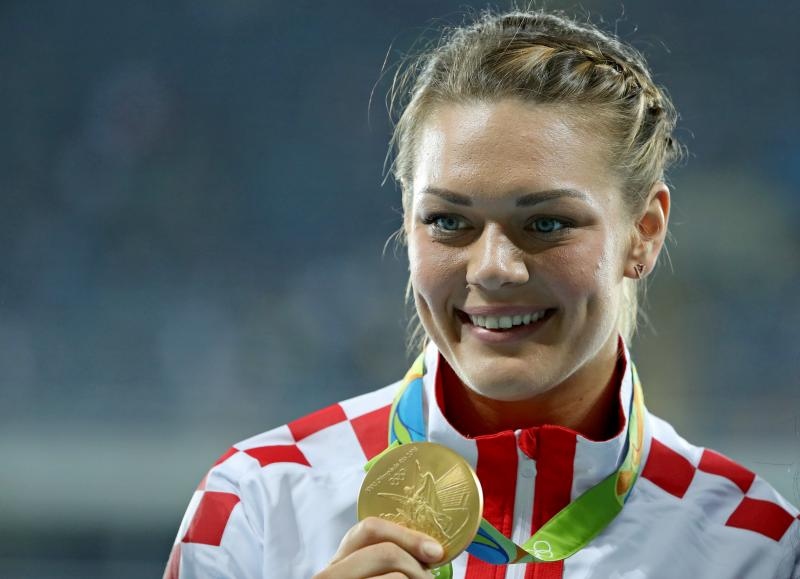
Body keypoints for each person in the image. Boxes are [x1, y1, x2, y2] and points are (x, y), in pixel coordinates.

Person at [164, 8, 800, 579]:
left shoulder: (755, 548)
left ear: (645, 233)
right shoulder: (257, 505)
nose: (493, 269)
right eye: (448, 221)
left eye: (546, 223)